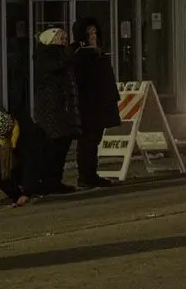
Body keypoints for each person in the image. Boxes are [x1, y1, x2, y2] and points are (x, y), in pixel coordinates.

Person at [29, 27, 81, 195]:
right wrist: (71, 50)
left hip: (62, 110)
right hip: (51, 111)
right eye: (60, 37)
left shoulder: (62, 55)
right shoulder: (46, 55)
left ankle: (55, 181)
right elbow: (58, 65)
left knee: (61, 147)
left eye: (65, 37)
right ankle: (48, 182)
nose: (64, 40)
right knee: (52, 149)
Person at [71, 17, 120, 188]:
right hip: (89, 106)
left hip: (99, 104)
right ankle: (86, 176)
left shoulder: (96, 53)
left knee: (93, 141)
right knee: (88, 142)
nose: (93, 35)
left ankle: (89, 174)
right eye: (89, 33)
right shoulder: (82, 56)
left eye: (94, 32)